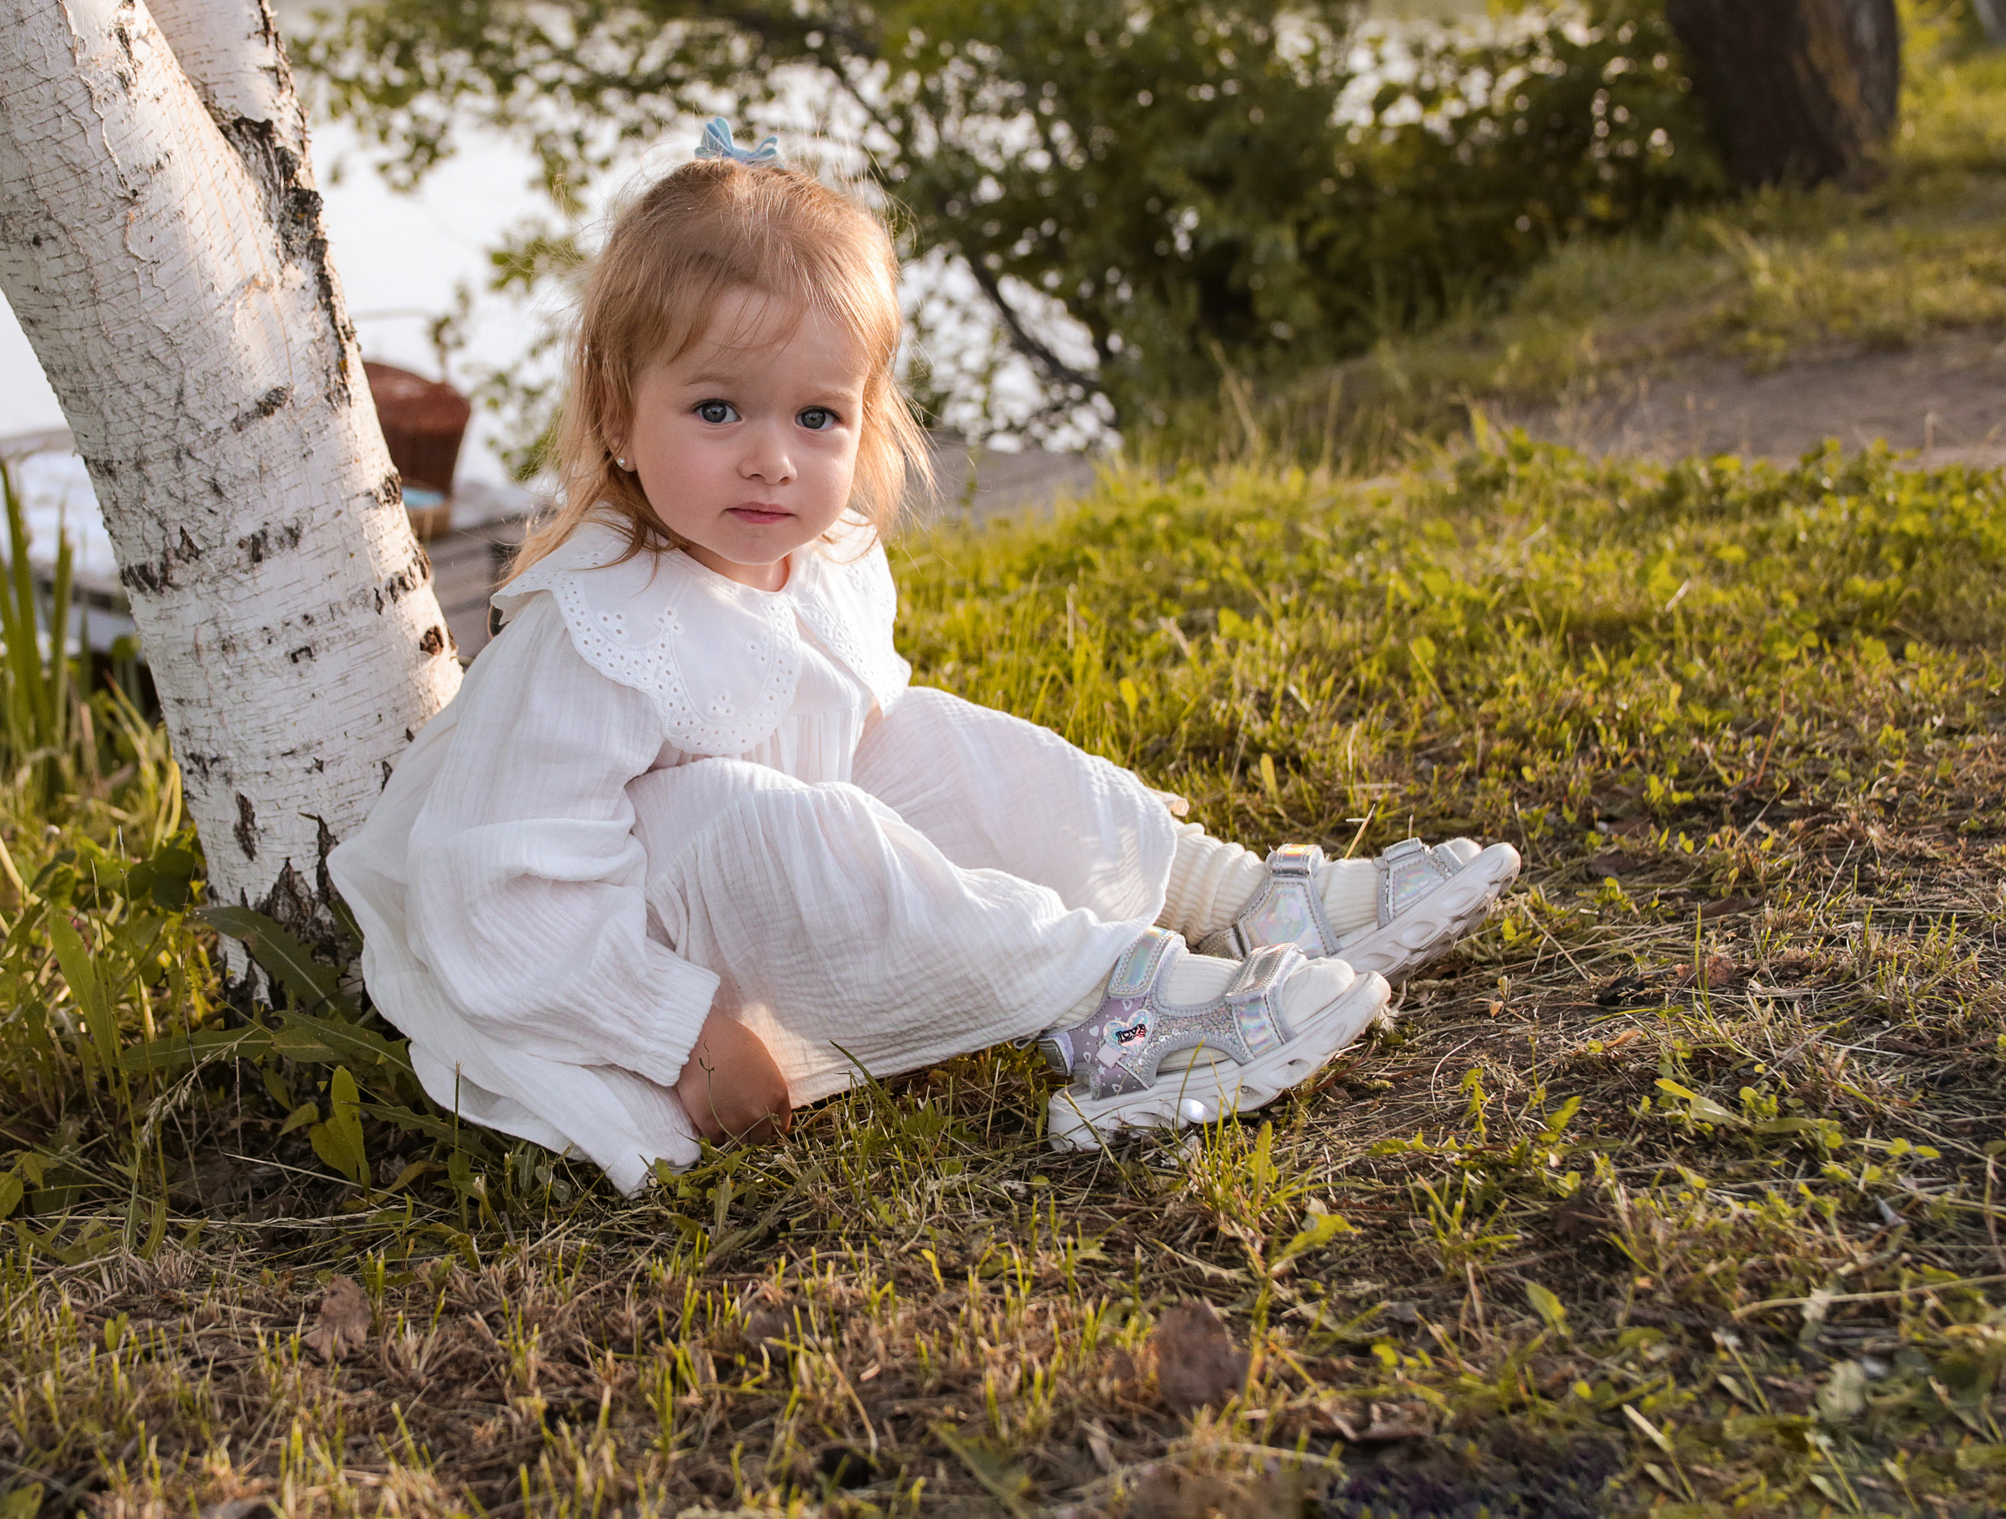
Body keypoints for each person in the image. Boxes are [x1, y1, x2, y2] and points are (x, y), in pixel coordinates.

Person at [328, 125, 1521, 1193]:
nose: (771, 461)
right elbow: (493, 886)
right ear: (615, 408)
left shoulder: (824, 555)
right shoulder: (598, 625)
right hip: (621, 962)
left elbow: (889, 762)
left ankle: (1237, 903)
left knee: (932, 737)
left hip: (769, 888)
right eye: (715, 411)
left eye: (816, 418)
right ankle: (1114, 1019)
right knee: (775, 817)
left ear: (865, 416)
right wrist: (677, 1033)